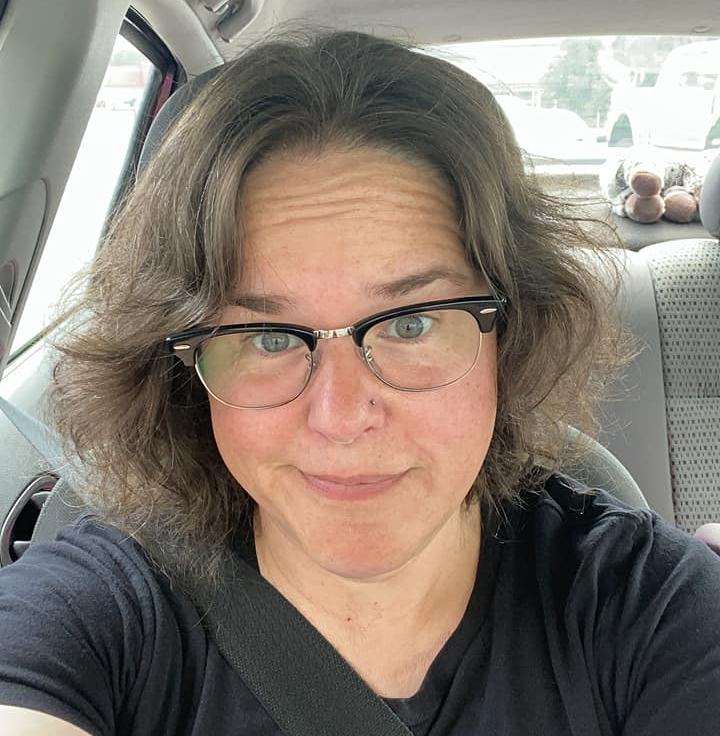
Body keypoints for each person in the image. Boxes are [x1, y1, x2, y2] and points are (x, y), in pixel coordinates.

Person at [0, 29, 719, 736]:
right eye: (268, 337)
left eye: (411, 324)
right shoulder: (100, 609)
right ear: (185, 371)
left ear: (512, 333)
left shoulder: (647, 607)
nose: (342, 417)